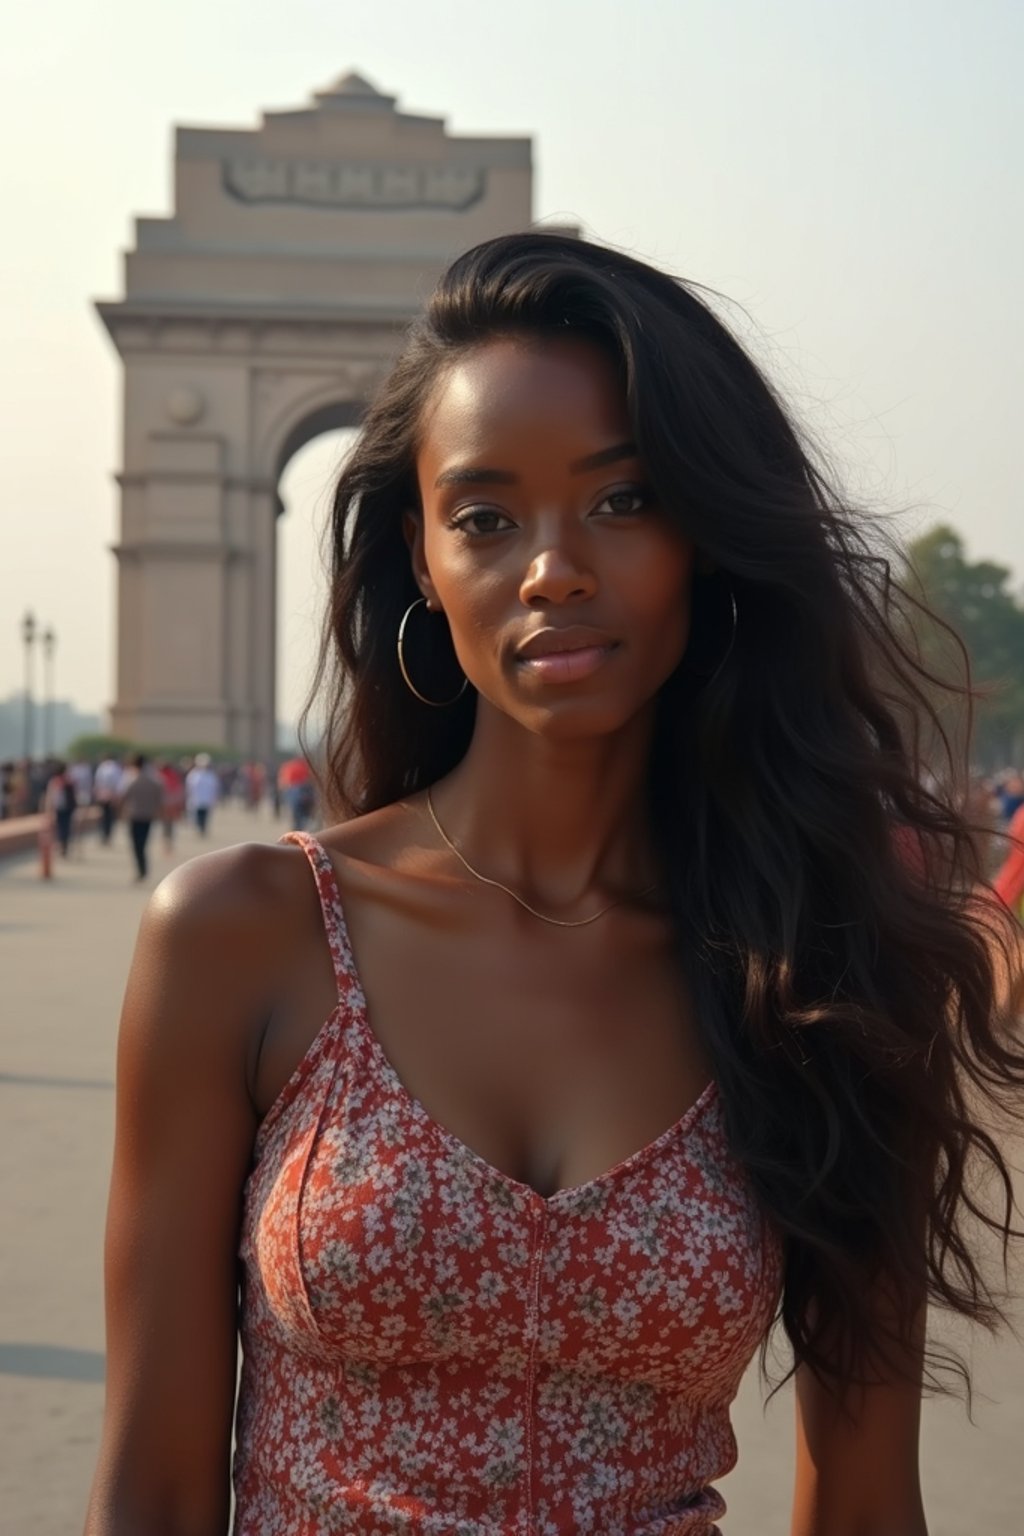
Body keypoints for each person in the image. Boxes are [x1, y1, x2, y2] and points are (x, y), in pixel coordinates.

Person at [84, 234, 1024, 1536]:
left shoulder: (821, 968)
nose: (554, 567)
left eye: (623, 500)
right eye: (486, 516)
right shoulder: (248, 937)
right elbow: (152, 1490)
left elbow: (867, 1505)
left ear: (703, 533)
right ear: (423, 557)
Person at [116, 753, 165, 882]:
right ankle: (143, 869)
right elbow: (159, 798)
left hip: (134, 815)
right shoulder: (154, 780)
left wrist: (120, 813)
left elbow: (123, 798)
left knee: (136, 845)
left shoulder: (130, 780)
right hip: (148, 815)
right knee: (143, 844)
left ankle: (141, 870)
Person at [43, 759, 76, 857]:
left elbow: (50, 797)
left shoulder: (54, 781)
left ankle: (61, 844)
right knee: (66, 827)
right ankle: (64, 845)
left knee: (60, 827)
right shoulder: (68, 780)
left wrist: (48, 810)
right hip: (68, 807)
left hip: (58, 807)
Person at [185, 751, 220, 836]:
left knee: (205, 815)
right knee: (197, 815)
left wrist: (215, 797)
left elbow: (215, 787)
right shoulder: (193, 774)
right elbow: (189, 787)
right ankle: (200, 828)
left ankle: (203, 828)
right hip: (196, 799)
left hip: (207, 799)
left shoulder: (211, 775)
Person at [93, 753, 124, 845]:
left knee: (103, 816)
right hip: (112, 794)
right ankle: (108, 835)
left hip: (102, 794)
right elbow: (119, 783)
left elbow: (97, 782)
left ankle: (104, 835)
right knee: (110, 816)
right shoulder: (116, 768)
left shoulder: (101, 767)